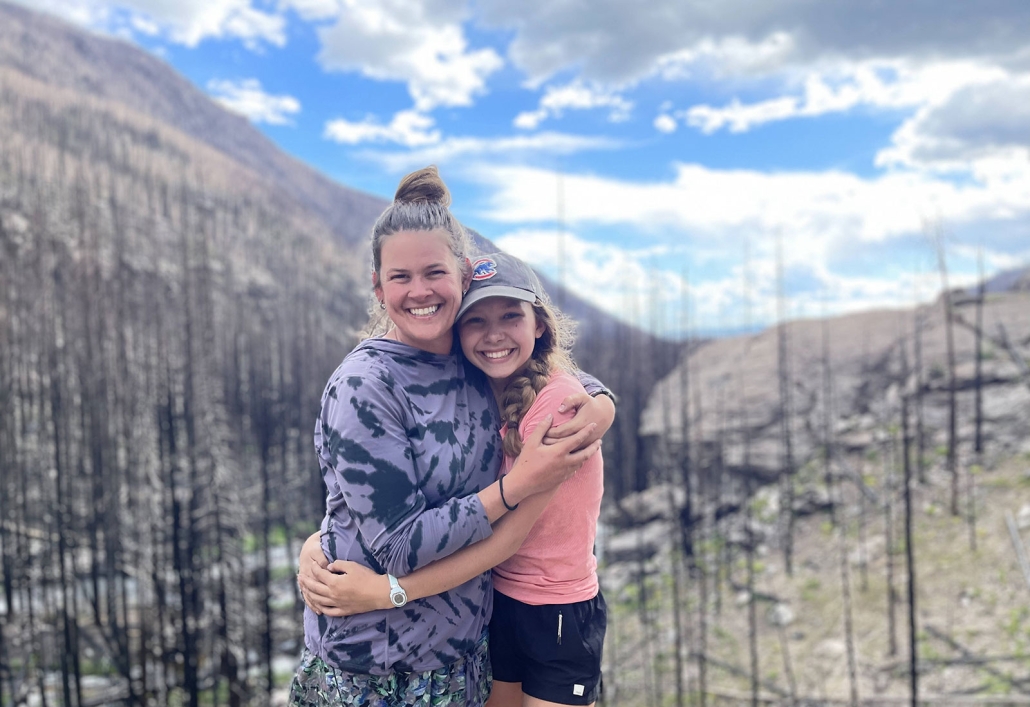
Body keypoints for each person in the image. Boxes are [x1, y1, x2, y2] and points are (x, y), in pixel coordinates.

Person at [290, 167, 613, 707]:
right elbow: (394, 541)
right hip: (377, 666)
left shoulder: (471, 365)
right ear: (378, 286)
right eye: (400, 277)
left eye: (434, 272)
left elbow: (545, 377)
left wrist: (601, 404)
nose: (419, 292)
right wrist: (323, 548)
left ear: (462, 276)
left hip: (465, 658)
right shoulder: (366, 385)